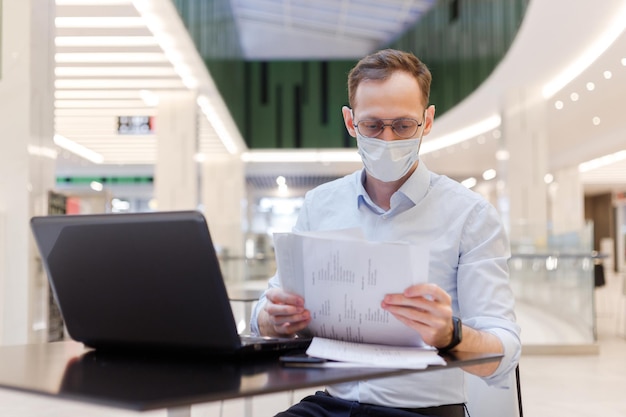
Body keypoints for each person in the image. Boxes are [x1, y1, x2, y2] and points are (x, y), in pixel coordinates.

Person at [250, 48, 521, 417]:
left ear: (427, 121)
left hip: (423, 410)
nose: (388, 140)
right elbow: (264, 313)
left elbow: (501, 354)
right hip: (332, 405)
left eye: (403, 125)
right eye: (373, 126)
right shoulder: (320, 205)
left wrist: (450, 335)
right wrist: (272, 319)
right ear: (350, 123)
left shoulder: (470, 216)